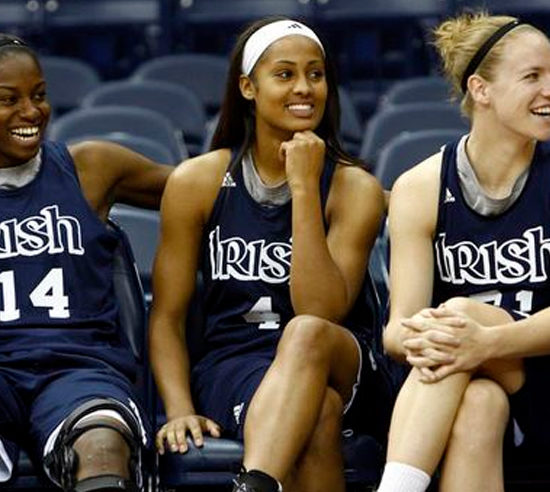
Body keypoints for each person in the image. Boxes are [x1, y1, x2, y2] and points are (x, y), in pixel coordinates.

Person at [149, 17, 392, 492]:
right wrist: (178, 409)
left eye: (316, 74)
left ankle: (255, 482)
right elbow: (167, 318)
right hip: (235, 362)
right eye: (285, 74)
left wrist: (304, 188)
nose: (304, 88)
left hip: (342, 359)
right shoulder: (196, 182)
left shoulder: (353, 187)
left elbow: (320, 309)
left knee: (305, 332)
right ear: (248, 87)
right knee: (317, 413)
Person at [377, 11, 550, 492]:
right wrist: (428, 337)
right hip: (462, 377)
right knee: (480, 403)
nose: (549, 90)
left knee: (460, 314)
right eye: (533, 77)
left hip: (541, 375)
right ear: (481, 89)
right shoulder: (419, 187)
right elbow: (396, 329)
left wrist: (486, 341)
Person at [0, 34, 172, 492]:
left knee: (100, 445)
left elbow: (202, 191)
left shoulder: (90, 167)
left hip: (78, 367)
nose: (31, 112)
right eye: (9, 100)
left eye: (38, 95)